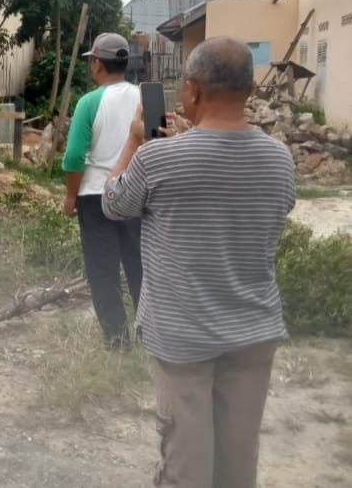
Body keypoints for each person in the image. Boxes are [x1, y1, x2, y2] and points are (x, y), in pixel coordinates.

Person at [102, 36, 295, 488]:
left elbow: (113, 203)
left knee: (186, 467)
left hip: (182, 338)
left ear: (190, 90)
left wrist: (133, 141)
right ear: (249, 90)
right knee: (237, 460)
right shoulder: (279, 159)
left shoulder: (158, 157)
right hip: (254, 334)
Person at [61, 32, 142, 348]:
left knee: (103, 269)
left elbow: (73, 156)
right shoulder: (145, 97)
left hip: (96, 196)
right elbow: (158, 143)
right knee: (140, 265)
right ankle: (150, 332)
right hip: (137, 194)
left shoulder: (88, 102)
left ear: (97, 64)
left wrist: (70, 197)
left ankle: (118, 340)